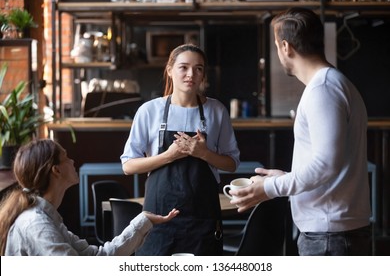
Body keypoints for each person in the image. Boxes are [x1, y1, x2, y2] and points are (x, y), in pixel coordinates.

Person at [230, 7, 372, 256]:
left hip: (330, 236)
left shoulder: (323, 89)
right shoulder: (333, 83)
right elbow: (330, 163)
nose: (278, 52)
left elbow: (326, 165)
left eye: (276, 45)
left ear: (286, 47)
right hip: (334, 232)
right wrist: (284, 176)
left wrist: (269, 188)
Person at [121, 43, 240, 256]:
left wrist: (203, 153)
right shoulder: (149, 111)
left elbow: (232, 163)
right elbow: (128, 166)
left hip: (203, 217)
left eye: (198, 68)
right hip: (158, 217)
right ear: (170, 70)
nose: (191, 74)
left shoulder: (216, 111)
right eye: (183, 67)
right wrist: (168, 156)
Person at [0, 139, 179, 256]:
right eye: (66, 157)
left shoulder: (47, 218)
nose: (72, 161)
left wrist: (143, 220)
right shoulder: (37, 225)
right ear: (56, 170)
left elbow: (98, 257)